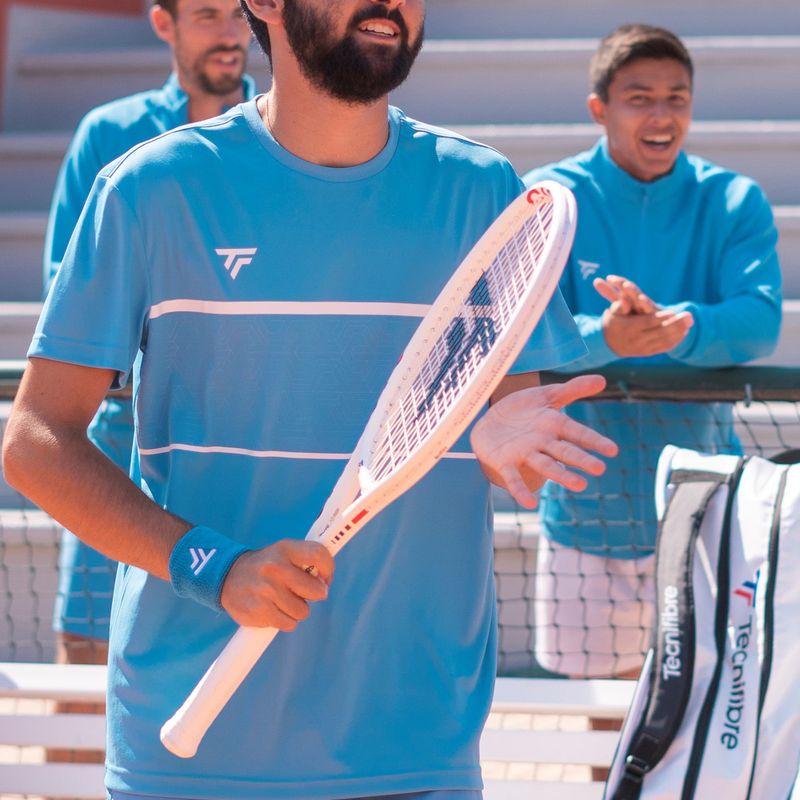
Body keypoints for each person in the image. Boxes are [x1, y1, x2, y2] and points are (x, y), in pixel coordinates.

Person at [3, 0, 617, 798]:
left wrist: (503, 444)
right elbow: (36, 439)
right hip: (190, 753)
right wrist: (213, 567)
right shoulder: (150, 190)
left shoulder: (480, 191)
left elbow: (505, 418)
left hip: (414, 743)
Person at [523, 23, 782, 684]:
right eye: (640, 97)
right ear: (599, 108)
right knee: (599, 720)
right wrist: (604, 339)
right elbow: (519, 334)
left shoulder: (733, 199)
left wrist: (679, 330)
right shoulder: (548, 197)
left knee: (696, 710)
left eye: (677, 97)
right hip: (583, 509)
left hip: (703, 512)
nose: (662, 115)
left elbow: (758, 321)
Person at [44, 0, 255, 677]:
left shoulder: (288, 136)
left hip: (242, 431)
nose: (228, 33)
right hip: (114, 439)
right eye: (206, 15)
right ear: (163, 23)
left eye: (236, 14)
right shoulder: (108, 133)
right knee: (86, 645)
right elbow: (66, 284)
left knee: (239, 629)